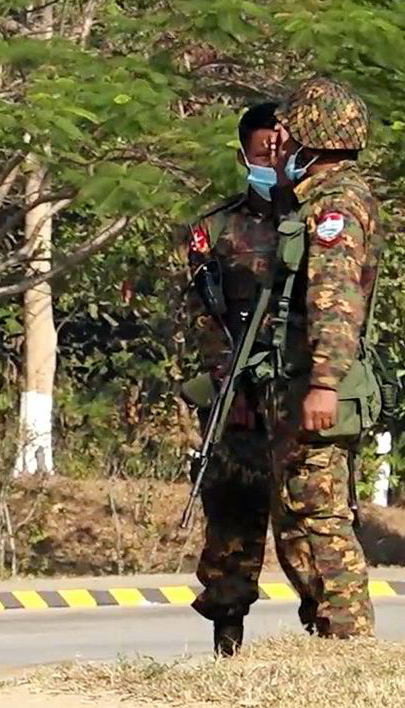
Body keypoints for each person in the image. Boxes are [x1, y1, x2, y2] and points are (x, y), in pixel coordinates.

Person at [261, 77, 380, 639]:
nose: (279, 140)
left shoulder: (336, 206)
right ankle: (326, 627)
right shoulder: (314, 198)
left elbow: (335, 297)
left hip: (321, 381)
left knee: (321, 511)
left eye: (288, 130)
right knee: (295, 511)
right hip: (299, 379)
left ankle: (349, 636)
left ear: (312, 136)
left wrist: (324, 382)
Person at [180, 102, 281, 655]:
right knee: (232, 514)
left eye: (281, 150)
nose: (273, 161)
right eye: (262, 152)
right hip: (238, 391)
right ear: (244, 155)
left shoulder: (319, 223)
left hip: (298, 389)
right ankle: (228, 634)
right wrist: (229, 382)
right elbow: (204, 317)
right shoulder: (215, 228)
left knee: (312, 519)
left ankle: (332, 634)